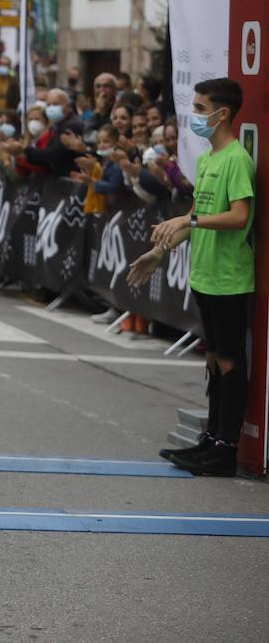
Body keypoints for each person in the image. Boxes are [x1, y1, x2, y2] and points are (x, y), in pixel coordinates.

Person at [129, 79, 254, 477]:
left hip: (231, 278)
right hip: (204, 275)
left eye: (201, 109)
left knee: (231, 360)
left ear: (223, 114)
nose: (195, 116)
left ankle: (225, 449)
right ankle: (210, 439)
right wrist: (159, 252)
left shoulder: (236, 158)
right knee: (215, 360)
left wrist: (189, 218)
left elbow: (239, 217)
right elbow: (194, 221)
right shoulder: (206, 161)